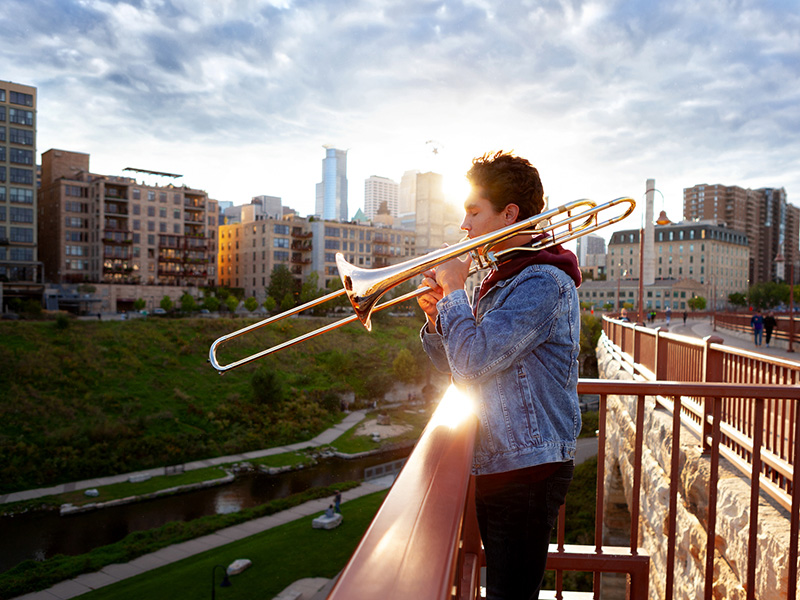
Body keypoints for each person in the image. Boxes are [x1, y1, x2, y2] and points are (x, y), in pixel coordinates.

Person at [417, 151, 579, 600]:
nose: (464, 227)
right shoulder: (503, 278)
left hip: (529, 468)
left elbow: (473, 364)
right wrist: (437, 319)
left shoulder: (543, 281)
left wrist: (453, 295)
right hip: (501, 460)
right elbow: (454, 365)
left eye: (473, 212)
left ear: (510, 214)